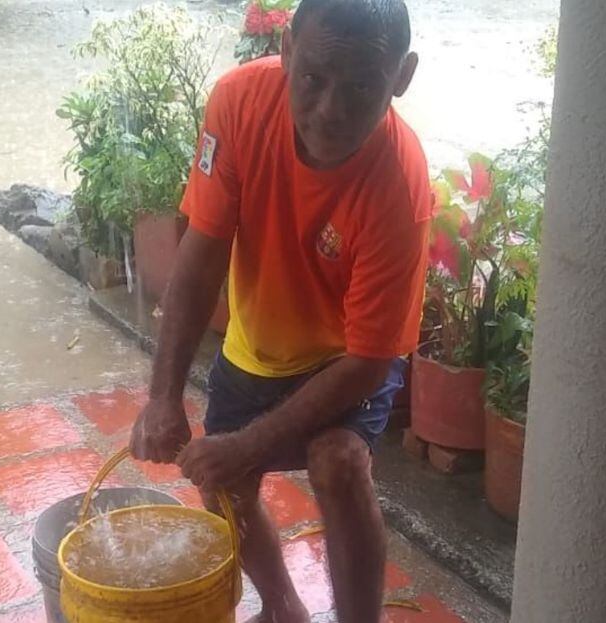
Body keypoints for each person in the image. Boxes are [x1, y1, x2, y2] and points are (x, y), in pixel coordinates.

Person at [130, 0, 428, 621]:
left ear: (401, 78)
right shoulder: (239, 102)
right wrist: (163, 395)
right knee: (223, 480)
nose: (332, 111)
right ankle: (283, 606)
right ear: (287, 51)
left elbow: (370, 362)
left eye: (363, 86)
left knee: (339, 462)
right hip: (259, 342)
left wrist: (247, 443)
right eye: (314, 78)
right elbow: (201, 256)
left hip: (344, 358)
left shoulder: (399, 185)